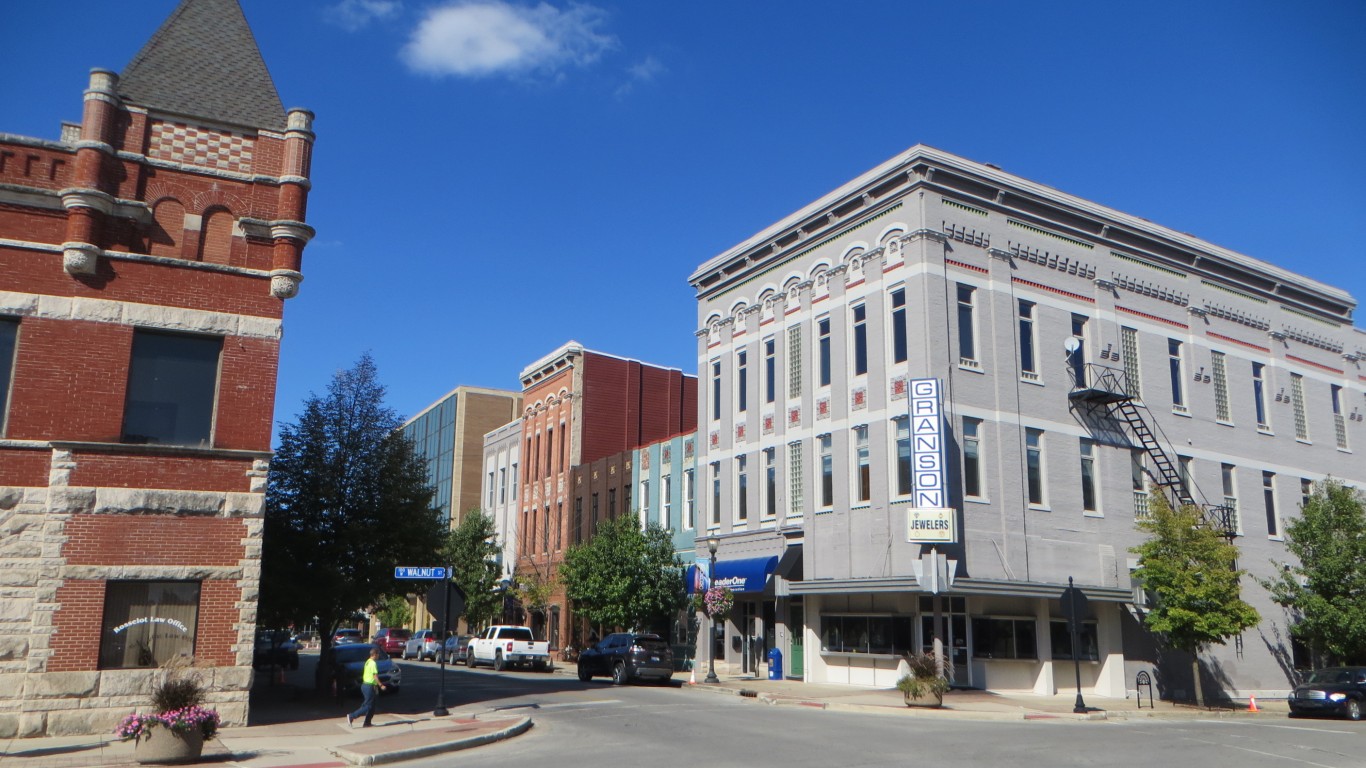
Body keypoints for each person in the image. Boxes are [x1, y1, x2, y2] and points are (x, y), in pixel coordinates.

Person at [347, 647, 387, 727]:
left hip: (366, 685)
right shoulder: (372, 663)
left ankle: (367, 722)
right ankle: (352, 716)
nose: (378, 656)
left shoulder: (368, 661)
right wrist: (381, 685)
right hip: (369, 686)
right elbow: (375, 676)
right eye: (378, 654)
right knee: (368, 706)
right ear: (374, 654)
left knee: (372, 706)